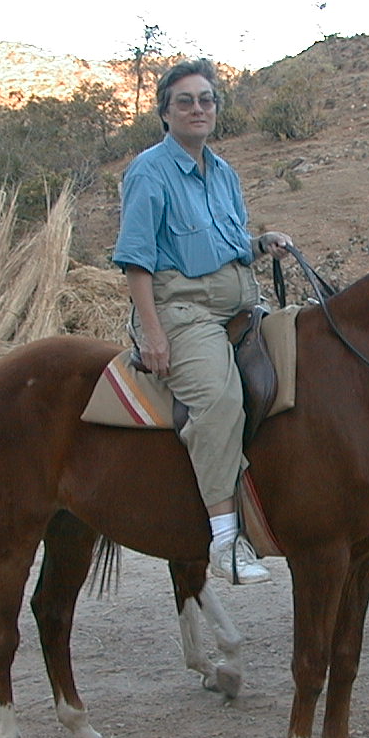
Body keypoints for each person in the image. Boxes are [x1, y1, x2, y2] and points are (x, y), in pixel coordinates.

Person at [112, 59, 294, 585]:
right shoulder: (149, 171)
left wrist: (262, 244)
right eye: (186, 101)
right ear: (165, 113)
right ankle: (225, 539)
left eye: (207, 100)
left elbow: (233, 246)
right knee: (219, 398)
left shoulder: (225, 173)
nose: (199, 108)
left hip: (238, 304)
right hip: (182, 309)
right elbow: (137, 259)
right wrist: (153, 332)